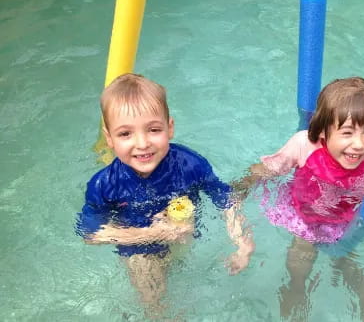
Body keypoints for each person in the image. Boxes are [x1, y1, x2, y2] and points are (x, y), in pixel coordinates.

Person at [235, 77, 364, 321]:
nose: (359, 144)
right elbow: (268, 169)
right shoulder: (304, 145)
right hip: (306, 215)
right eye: (347, 132)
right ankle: (297, 289)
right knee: (301, 255)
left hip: (347, 217)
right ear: (322, 131)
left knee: (347, 258)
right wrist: (239, 189)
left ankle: (362, 309)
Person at [76, 73, 255, 318]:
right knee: (158, 306)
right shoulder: (105, 184)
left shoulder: (190, 165)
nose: (142, 143)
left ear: (169, 128)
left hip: (183, 237)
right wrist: (152, 234)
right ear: (109, 138)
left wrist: (242, 243)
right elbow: (90, 234)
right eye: (125, 134)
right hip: (139, 251)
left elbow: (225, 199)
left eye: (153, 129)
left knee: (185, 287)